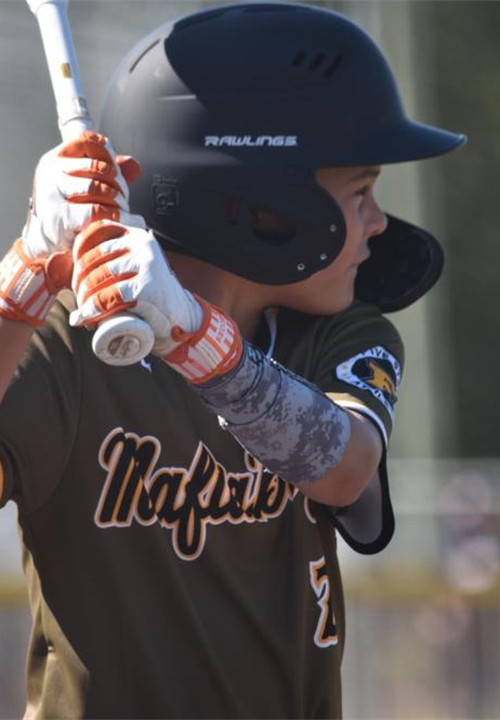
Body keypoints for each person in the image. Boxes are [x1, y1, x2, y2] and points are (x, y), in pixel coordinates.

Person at [0, 3, 465, 719]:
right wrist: (21, 284)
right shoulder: (70, 344)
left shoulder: (339, 333)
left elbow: (343, 467)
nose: (377, 223)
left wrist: (196, 340)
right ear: (259, 209)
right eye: (360, 194)